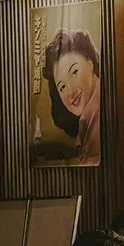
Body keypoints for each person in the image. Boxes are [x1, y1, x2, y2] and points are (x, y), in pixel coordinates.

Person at [44, 27, 101, 165]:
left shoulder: (100, 117)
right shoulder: (86, 125)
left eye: (74, 72)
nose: (70, 92)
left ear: (90, 62)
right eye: (62, 87)